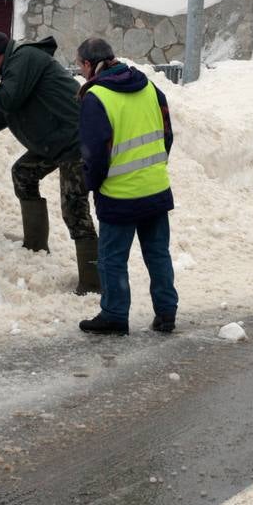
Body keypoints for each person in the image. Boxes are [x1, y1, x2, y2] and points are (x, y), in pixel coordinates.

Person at [0, 31, 99, 294]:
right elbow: (1, 115)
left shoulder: (25, 58)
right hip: (53, 141)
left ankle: (93, 283)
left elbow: (7, 100)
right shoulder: (15, 71)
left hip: (75, 140)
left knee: (74, 209)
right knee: (23, 174)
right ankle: (35, 246)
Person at [74, 38, 178, 336]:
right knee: (158, 254)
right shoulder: (149, 88)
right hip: (156, 188)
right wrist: (155, 167)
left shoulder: (96, 98)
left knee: (112, 259)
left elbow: (94, 152)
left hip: (119, 195)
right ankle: (167, 313)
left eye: (80, 65)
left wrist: (92, 184)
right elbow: (167, 134)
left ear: (88, 64)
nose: (80, 73)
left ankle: (115, 315)